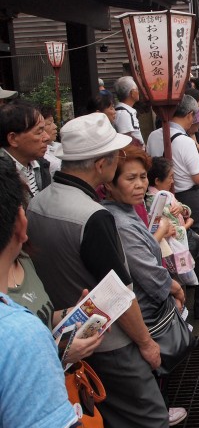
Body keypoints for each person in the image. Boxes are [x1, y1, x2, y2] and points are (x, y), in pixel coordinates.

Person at [26, 113, 170, 427]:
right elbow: (120, 291)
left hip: (66, 337)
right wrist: (146, 343)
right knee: (151, 417)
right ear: (100, 164)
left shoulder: (38, 203)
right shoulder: (93, 215)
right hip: (110, 340)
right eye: (113, 157)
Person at [103, 145, 188, 426]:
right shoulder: (120, 222)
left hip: (146, 301)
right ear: (109, 183)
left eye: (142, 176)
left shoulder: (124, 211)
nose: (140, 184)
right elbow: (146, 271)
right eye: (130, 178)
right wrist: (173, 287)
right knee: (153, 359)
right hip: (145, 307)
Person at [0, 156, 80, 428]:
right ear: (22, 224)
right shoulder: (19, 336)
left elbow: (41, 313)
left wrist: (72, 313)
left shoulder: (24, 261)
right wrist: (61, 353)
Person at [147, 95, 199, 319]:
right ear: (188, 115)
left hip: (157, 198)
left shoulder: (154, 136)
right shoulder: (185, 141)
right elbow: (197, 177)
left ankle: (180, 297)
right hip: (187, 197)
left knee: (170, 251)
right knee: (197, 245)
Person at [0, 99, 51, 200]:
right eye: (39, 132)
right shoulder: (3, 178)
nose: (47, 137)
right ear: (13, 139)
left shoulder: (41, 166)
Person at [113, 75, 144, 147]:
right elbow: (127, 141)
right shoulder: (123, 113)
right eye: (137, 89)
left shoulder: (126, 111)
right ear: (132, 93)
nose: (138, 92)